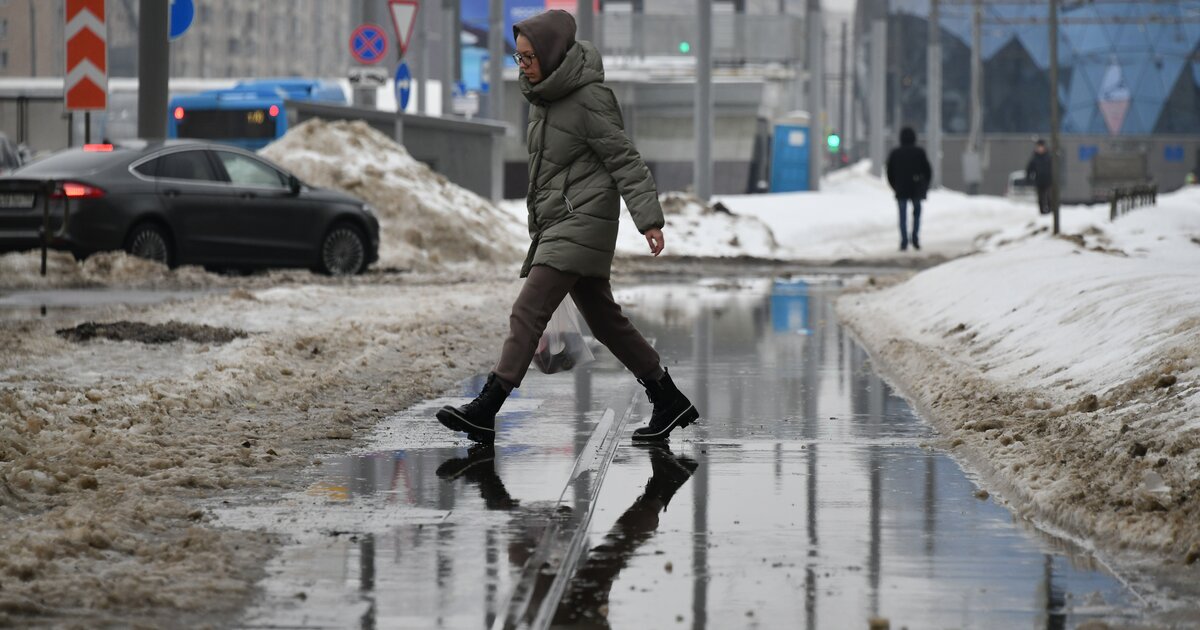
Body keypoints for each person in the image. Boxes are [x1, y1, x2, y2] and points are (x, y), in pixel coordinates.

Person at [436, 10, 699, 445]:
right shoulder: (545, 98)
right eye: (518, 59)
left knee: (528, 310)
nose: (523, 66)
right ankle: (667, 397)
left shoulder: (586, 98)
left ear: (552, 53)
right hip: (561, 223)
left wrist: (648, 219)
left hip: (582, 223)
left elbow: (624, 158)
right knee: (605, 320)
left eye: (528, 58)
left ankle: (487, 406)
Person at [886, 127, 933, 251]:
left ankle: (904, 241)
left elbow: (889, 172)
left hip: (901, 188)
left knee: (902, 216)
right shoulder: (919, 152)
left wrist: (894, 186)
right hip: (916, 188)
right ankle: (915, 238)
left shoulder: (895, 153)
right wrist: (925, 186)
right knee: (916, 213)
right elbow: (927, 171)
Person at [1026, 139, 1053, 215]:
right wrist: (1029, 178)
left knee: (1049, 197)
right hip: (1039, 181)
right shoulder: (1035, 158)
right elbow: (1029, 169)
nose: (1040, 149)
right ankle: (1042, 212)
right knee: (1040, 198)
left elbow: (1054, 168)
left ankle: (1050, 211)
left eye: (1041, 147)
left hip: (1048, 180)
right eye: (1039, 147)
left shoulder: (1049, 157)